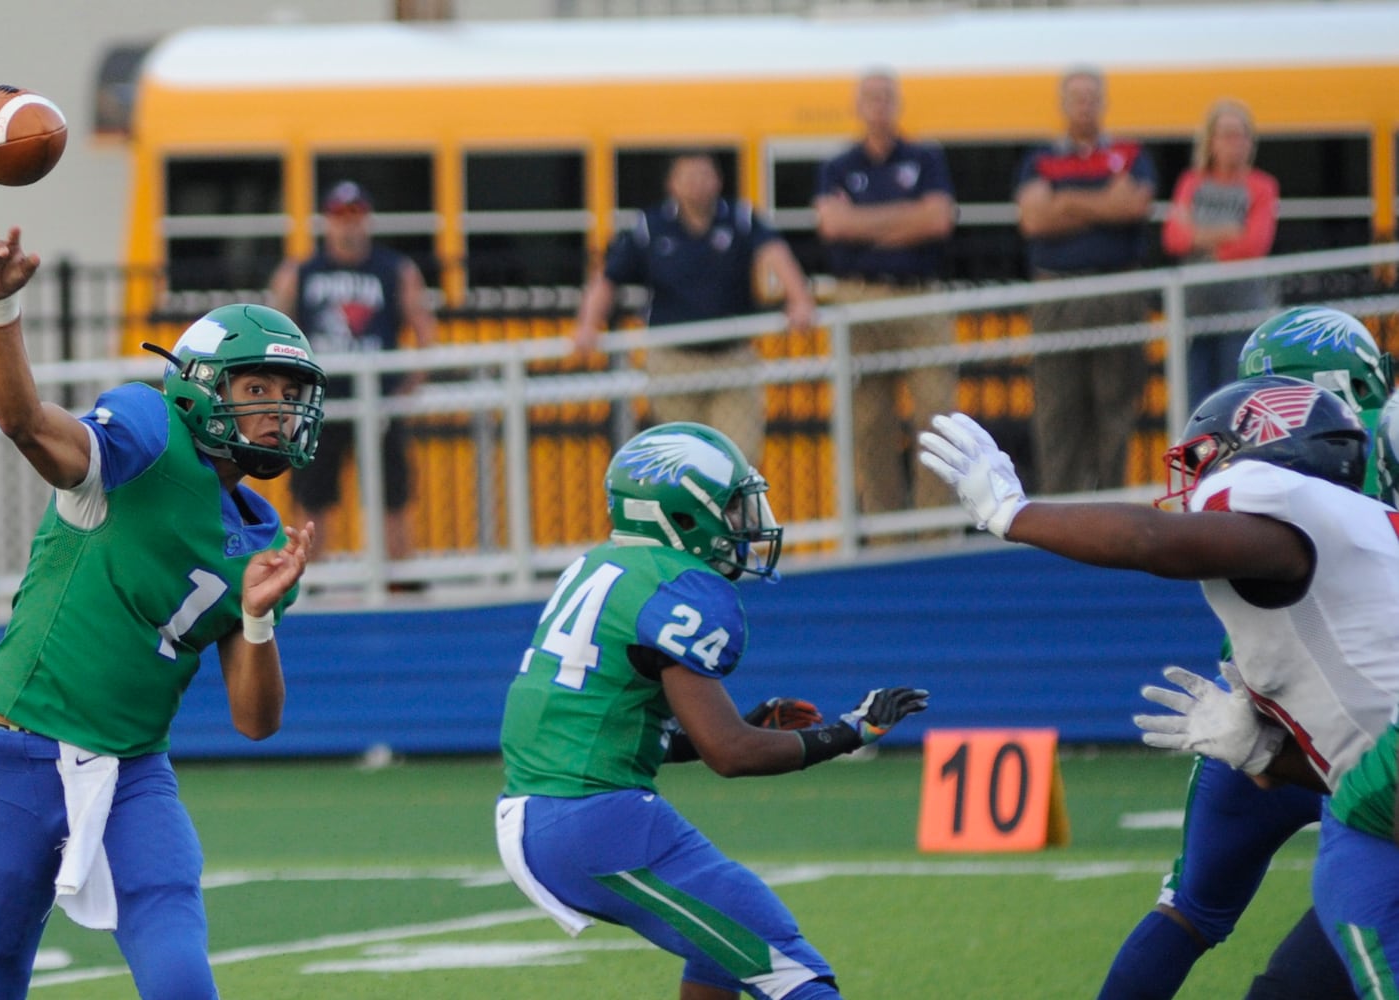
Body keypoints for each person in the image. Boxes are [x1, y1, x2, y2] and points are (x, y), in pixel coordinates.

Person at [917, 378, 1399, 1000]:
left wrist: (1014, 514)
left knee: (1342, 891)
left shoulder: (1274, 493)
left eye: (1204, 458)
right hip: (1372, 787)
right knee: (1349, 892)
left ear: (1267, 441)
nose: (1195, 480)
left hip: (1379, 782)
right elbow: (1360, 763)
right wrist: (1264, 755)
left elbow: (1153, 540)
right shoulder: (1357, 532)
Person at [0, 227, 325, 998]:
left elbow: (256, 722)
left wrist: (256, 620)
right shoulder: (147, 436)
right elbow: (27, 424)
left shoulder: (261, 537)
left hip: (130, 769)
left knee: (179, 963)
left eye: (288, 396)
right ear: (199, 388)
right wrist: (3, 309)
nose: (278, 413)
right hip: (17, 751)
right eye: (256, 391)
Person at [496, 420, 929, 1000]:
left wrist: (737, 724)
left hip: (542, 811)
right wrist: (851, 732)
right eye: (731, 509)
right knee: (788, 966)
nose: (746, 525)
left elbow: (619, 730)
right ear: (679, 516)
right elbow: (732, 755)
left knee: (722, 951)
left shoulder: (601, 565)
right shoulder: (679, 587)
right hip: (592, 821)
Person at [1095, 304, 1389, 1000]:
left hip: (1266, 715)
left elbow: (1168, 542)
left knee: (1192, 911)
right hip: (1354, 729)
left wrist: (1015, 512)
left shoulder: (1283, 477)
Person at [573, 152, 817, 467]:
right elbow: (608, 278)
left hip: (732, 356)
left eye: (704, 176)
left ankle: (733, 515)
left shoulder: (739, 218)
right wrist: (588, 325)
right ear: (672, 184)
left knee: (738, 459)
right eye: (688, 177)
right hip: (674, 360)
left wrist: (799, 300)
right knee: (684, 461)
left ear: (718, 180)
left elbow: (775, 252)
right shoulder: (651, 226)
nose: (697, 185)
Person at [269, 180, 435, 576]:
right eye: (340, 217)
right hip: (319, 404)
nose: (349, 226)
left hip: (379, 402)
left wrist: (405, 390)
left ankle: (400, 580)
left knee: (392, 497)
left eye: (356, 216)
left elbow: (426, 333)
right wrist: (289, 396)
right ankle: (312, 582)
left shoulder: (394, 269)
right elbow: (274, 333)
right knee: (313, 500)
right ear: (327, 221)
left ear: (368, 219)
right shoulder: (300, 272)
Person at [814, 68, 959, 519]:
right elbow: (831, 226)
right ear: (858, 107)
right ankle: (885, 531)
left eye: (886, 97)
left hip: (919, 297)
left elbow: (938, 221)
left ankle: (935, 529)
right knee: (868, 421)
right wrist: (905, 220)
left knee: (936, 416)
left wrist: (864, 225)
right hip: (858, 301)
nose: (878, 105)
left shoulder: (927, 159)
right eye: (870, 97)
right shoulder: (838, 166)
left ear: (897, 105)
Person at [1014, 66, 1158, 495]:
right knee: (1058, 411)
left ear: (1104, 102)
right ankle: (1062, 513)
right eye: (1076, 96)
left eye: (1092, 96)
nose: (1084, 104)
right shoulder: (1036, 158)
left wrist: (1065, 200)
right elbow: (1034, 219)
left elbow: (1133, 207)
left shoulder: (1133, 154)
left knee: (1116, 406)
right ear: (1062, 104)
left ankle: (1111, 505)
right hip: (1056, 293)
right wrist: (1101, 202)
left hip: (1117, 291)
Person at [1163, 99, 1280, 403]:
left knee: (1235, 402)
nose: (1235, 144)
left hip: (1242, 314)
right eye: (1227, 134)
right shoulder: (1192, 182)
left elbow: (1255, 243)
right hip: (1194, 314)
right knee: (1195, 404)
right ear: (1211, 141)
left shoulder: (1262, 186)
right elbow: (1174, 237)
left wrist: (1201, 238)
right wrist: (1228, 233)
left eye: (1241, 135)